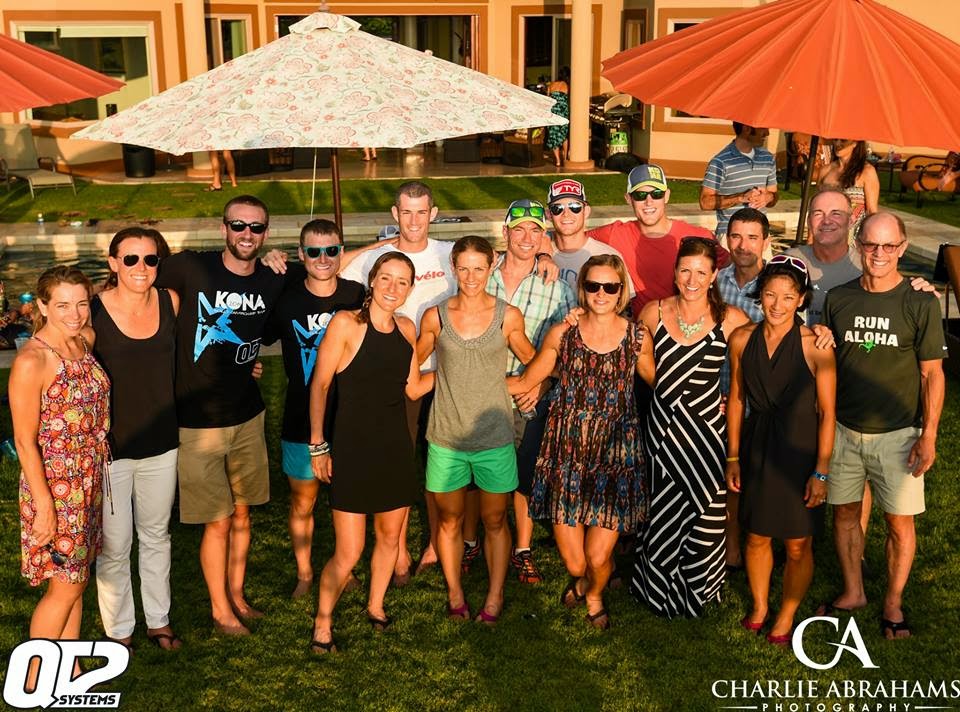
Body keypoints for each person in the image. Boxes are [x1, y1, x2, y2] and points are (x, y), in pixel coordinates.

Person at [155, 195, 287, 635]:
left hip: (248, 415)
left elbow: (326, 269)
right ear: (223, 228)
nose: (246, 234)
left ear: (266, 233)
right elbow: (137, 282)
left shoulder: (271, 277)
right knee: (218, 520)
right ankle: (220, 611)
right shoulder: (191, 267)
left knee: (243, 514)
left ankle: (237, 594)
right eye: (238, 225)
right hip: (198, 421)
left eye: (256, 227)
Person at [820, 212, 945, 640]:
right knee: (844, 514)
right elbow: (828, 357)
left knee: (899, 523)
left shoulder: (920, 302)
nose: (879, 253)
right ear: (858, 245)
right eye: (871, 244)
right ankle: (853, 591)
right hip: (843, 429)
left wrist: (929, 435)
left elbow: (932, 375)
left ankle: (893, 602)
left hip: (899, 435)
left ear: (902, 248)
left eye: (889, 246)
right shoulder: (839, 298)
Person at [508, 254, 649, 629]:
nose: (601, 293)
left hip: (616, 456)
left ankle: (593, 592)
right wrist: (463, 382)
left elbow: (661, 381)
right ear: (582, 290)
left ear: (621, 291)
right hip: (566, 453)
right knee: (575, 562)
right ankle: (585, 578)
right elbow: (527, 380)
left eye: (610, 286)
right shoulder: (563, 333)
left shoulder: (637, 337)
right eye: (592, 285)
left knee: (597, 557)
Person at [308, 252, 434, 653]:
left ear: (411, 288)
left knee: (390, 538)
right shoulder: (346, 324)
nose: (393, 288)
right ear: (373, 281)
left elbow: (413, 388)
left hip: (394, 448)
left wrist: (459, 364)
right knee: (349, 552)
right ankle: (323, 622)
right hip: (352, 449)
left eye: (402, 281)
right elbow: (320, 385)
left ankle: (376, 606)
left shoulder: (407, 328)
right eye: (386, 278)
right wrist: (318, 445)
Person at [339, 181, 457, 580]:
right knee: (400, 466)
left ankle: (436, 543)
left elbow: (492, 262)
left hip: (441, 376)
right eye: (406, 212)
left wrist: (543, 253)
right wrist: (376, 246)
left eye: (421, 212)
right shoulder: (379, 258)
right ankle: (400, 549)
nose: (414, 221)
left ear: (433, 214)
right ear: (395, 214)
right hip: (397, 381)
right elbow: (330, 267)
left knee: (440, 465)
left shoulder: (446, 253)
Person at [417, 235, 535, 623]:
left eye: (479, 269)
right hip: (446, 437)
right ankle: (455, 594)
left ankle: (495, 595)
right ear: (453, 268)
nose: (471, 277)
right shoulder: (435, 317)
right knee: (450, 520)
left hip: (494, 435)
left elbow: (534, 360)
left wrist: (525, 385)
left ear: (491, 267)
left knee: (495, 520)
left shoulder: (508, 316)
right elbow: (410, 362)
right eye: (464, 268)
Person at [631, 237, 750, 618]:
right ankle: (655, 588)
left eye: (701, 272)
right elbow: (640, 359)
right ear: (675, 272)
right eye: (685, 270)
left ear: (714, 276)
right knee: (662, 507)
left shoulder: (732, 319)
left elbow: (768, 349)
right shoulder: (653, 312)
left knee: (706, 511)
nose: (692, 279)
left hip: (706, 433)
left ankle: (700, 588)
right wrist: (671, 392)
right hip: (663, 428)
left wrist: (818, 334)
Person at [725, 255, 836, 646]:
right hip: (756, 445)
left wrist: (821, 471)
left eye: (788, 296)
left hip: (800, 450)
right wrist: (733, 456)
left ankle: (786, 614)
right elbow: (736, 399)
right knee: (756, 534)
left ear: (801, 299)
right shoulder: (741, 339)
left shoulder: (816, 346)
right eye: (770, 294)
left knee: (797, 543)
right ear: (760, 294)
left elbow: (828, 413)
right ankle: (759, 606)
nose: (777, 304)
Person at [465, 199, 576, 584]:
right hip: (481, 390)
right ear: (505, 233)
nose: (527, 237)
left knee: (523, 475)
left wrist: (542, 382)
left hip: (531, 394)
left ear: (544, 236)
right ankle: (470, 541)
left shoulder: (558, 288)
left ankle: (522, 549)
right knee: (476, 473)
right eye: (519, 229)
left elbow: (566, 350)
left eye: (535, 230)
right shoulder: (482, 275)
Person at [10, 266, 109, 687]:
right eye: (63, 305)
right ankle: (34, 677)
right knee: (64, 586)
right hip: (56, 486)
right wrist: (45, 506)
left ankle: (69, 667)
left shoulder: (84, 340)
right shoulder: (32, 360)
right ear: (43, 305)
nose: (75, 313)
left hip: (89, 478)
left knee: (77, 580)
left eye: (82, 303)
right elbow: (24, 440)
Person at [263, 219, 365, 599]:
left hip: (349, 417)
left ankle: (344, 566)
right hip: (300, 417)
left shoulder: (357, 295)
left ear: (342, 251)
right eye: (314, 251)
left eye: (332, 250)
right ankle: (305, 572)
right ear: (301, 254)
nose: (324, 258)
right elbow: (253, 335)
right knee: (303, 501)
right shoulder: (285, 299)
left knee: (346, 502)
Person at [92, 228, 182, 651]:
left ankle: (159, 621)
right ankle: (119, 630)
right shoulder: (92, 310)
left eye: (150, 259)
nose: (141, 267)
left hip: (162, 442)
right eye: (130, 259)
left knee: (156, 535)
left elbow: (192, 355)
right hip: (112, 448)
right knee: (114, 545)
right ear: (113, 263)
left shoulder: (170, 301)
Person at [588, 164, 728, 315]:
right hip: (643, 325)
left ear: (666, 196)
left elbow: (733, 268)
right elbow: (574, 239)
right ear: (628, 199)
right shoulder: (615, 234)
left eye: (656, 194)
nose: (649, 202)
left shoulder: (699, 237)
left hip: (687, 323)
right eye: (640, 195)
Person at [715, 208, 769, 573]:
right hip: (720, 396)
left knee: (761, 481)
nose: (743, 245)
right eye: (736, 236)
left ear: (766, 241)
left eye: (752, 237)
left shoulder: (778, 283)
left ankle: (762, 542)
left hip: (763, 399)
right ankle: (731, 546)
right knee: (728, 479)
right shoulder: (714, 281)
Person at [545, 179, 634, 298]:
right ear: (549, 214)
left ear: (586, 211)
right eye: (557, 208)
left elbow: (625, 303)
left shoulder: (607, 256)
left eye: (575, 207)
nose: (566, 214)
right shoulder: (537, 251)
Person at [700, 123, 779, 239]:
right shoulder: (720, 162)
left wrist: (769, 197)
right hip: (731, 236)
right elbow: (705, 203)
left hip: (760, 236)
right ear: (746, 129)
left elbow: (774, 195)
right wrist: (741, 197)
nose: (767, 133)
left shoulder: (768, 158)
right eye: (762, 128)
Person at [815, 139, 880, 235]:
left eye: (843, 140)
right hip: (826, 234)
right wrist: (811, 237)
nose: (838, 143)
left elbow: (871, 211)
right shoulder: (825, 171)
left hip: (853, 237)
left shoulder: (866, 171)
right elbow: (816, 208)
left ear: (855, 143)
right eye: (835, 139)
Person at [544, 80, 569, 167]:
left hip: (554, 110)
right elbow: (567, 96)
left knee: (553, 135)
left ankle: (558, 160)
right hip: (563, 110)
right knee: (563, 135)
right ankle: (565, 158)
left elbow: (547, 98)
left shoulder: (551, 85)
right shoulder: (564, 84)